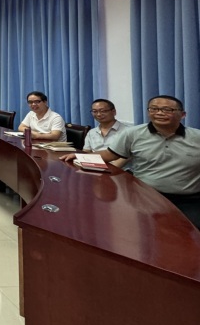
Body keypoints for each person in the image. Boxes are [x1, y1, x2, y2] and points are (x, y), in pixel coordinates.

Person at [61, 96, 200, 229]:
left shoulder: (196, 137)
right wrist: (80, 156)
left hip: (187, 199)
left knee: (190, 234)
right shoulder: (133, 134)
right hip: (145, 195)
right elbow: (109, 155)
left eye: (167, 110)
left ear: (183, 114)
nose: (159, 113)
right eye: (154, 109)